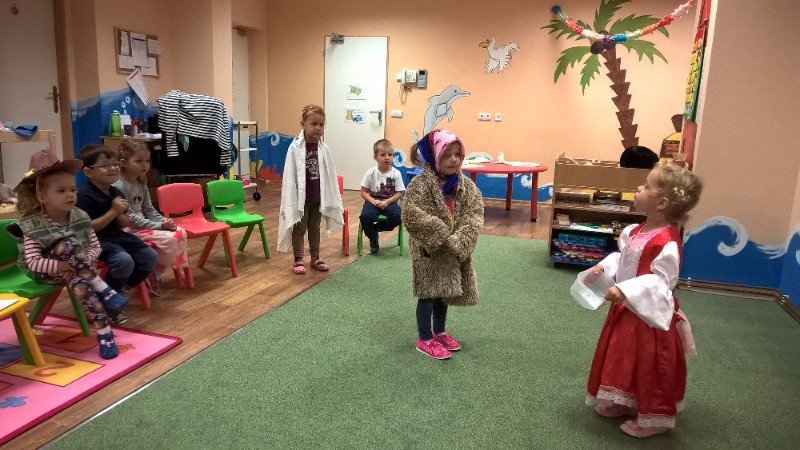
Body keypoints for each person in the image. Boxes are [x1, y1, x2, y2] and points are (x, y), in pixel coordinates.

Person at [585, 163, 703, 438]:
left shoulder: (666, 241)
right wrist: (605, 266)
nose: (639, 188)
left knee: (650, 364)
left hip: (649, 318)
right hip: (627, 310)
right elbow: (624, 257)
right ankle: (624, 399)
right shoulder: (636, 231)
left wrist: (626, 290)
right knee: (624, 356)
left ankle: (654, 417)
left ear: (661, 203)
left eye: (646, 186)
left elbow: (662, 282)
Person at [12, 152, 127, 359]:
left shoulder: (79, 216)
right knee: (68, 244)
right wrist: (65, 266)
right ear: (42, 196)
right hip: (46, 273)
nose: (70, 195)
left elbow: (95, 246)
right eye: (61, 190)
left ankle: (105, 335)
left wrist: (82, 262)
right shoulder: (32, 224)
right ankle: (104, 289)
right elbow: (34, 262)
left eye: (73, 189)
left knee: (83, 287)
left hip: (78, 271)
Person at [401, 129, 484, 360]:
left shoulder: (465, 186)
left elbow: (474, 213)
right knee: (428, 292)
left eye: (458, 154)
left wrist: (461, 239)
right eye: (447, 155)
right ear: (435, 156)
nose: (454, 160)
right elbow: (411, 214)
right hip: (429, 249)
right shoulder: (420, 185)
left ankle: (439, 331)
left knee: (444, 291)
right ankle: (424, 338)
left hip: (454, 248)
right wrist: (441, 235)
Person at [76, 144, 158, 324]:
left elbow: (123, 223)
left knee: (150, 256)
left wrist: (122, 214)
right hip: (95, 240)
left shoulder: (117, 192)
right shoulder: (83, 196)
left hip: (117, 235)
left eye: (114, 164)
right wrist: (113, 211)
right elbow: (88, 229)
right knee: (124, 261)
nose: (113, 168)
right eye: (105, 165)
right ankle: (109, 304)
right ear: (89, 172)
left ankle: (117, 292)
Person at [114, 139, 188, 296]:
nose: (145, 165)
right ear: (124, 162)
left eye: (147, 161)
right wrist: (159, 226)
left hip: (144, 225)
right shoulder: (119, 186)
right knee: (169, 239)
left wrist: (162, 220)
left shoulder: (141, 182)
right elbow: (129, 217)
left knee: (180, 232)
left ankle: (156, 271)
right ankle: (151, 270)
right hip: (128, 228)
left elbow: (148, 209)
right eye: (139, 161)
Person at [277, 105, 344, 274]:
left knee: (314, 227)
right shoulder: (295, 148)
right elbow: (290, 176)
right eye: (314, 124)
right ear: (303, 124)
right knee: (300, 228)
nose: (318, 128)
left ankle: (315, 258)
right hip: (301, 198)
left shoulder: (324, 149)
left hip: (317, 196)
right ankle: (298, 259)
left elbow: (329, 176)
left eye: (321, 124)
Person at [359, 139, 405, 253]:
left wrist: (387, 202)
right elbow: (363, 191)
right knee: (365, 217)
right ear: (376, 157)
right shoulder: (371, 172)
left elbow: (400, 193)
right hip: (373, 202)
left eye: (390, 154)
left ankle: (375, 229)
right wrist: (373, 201)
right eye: (383, 155)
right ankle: (373, 238)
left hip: (390, 202)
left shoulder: (396, 173)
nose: (387, 158)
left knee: (398, 216)